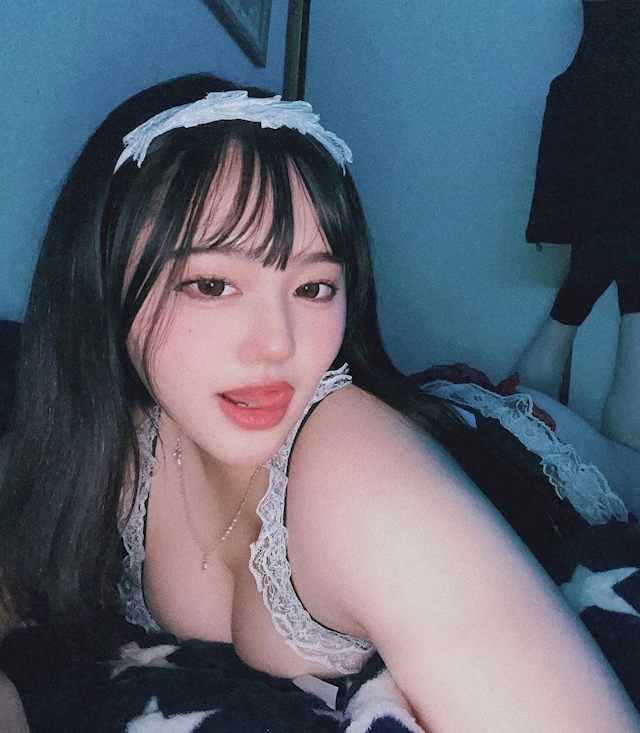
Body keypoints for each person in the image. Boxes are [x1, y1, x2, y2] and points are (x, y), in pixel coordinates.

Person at [0, 73, 638, 733]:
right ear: (102, 279)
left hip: (521, 448)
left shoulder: (358, 475)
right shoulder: (117, 452)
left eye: (313, 287)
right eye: (212, 284)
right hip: (432, 412)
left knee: (611, 447)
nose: (278, 345)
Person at [518, 0, 640, 451]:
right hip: (622, 196)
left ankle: (514, 444)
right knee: (634, 339)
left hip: (596, 188)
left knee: (567, 315)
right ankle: (622, 475)